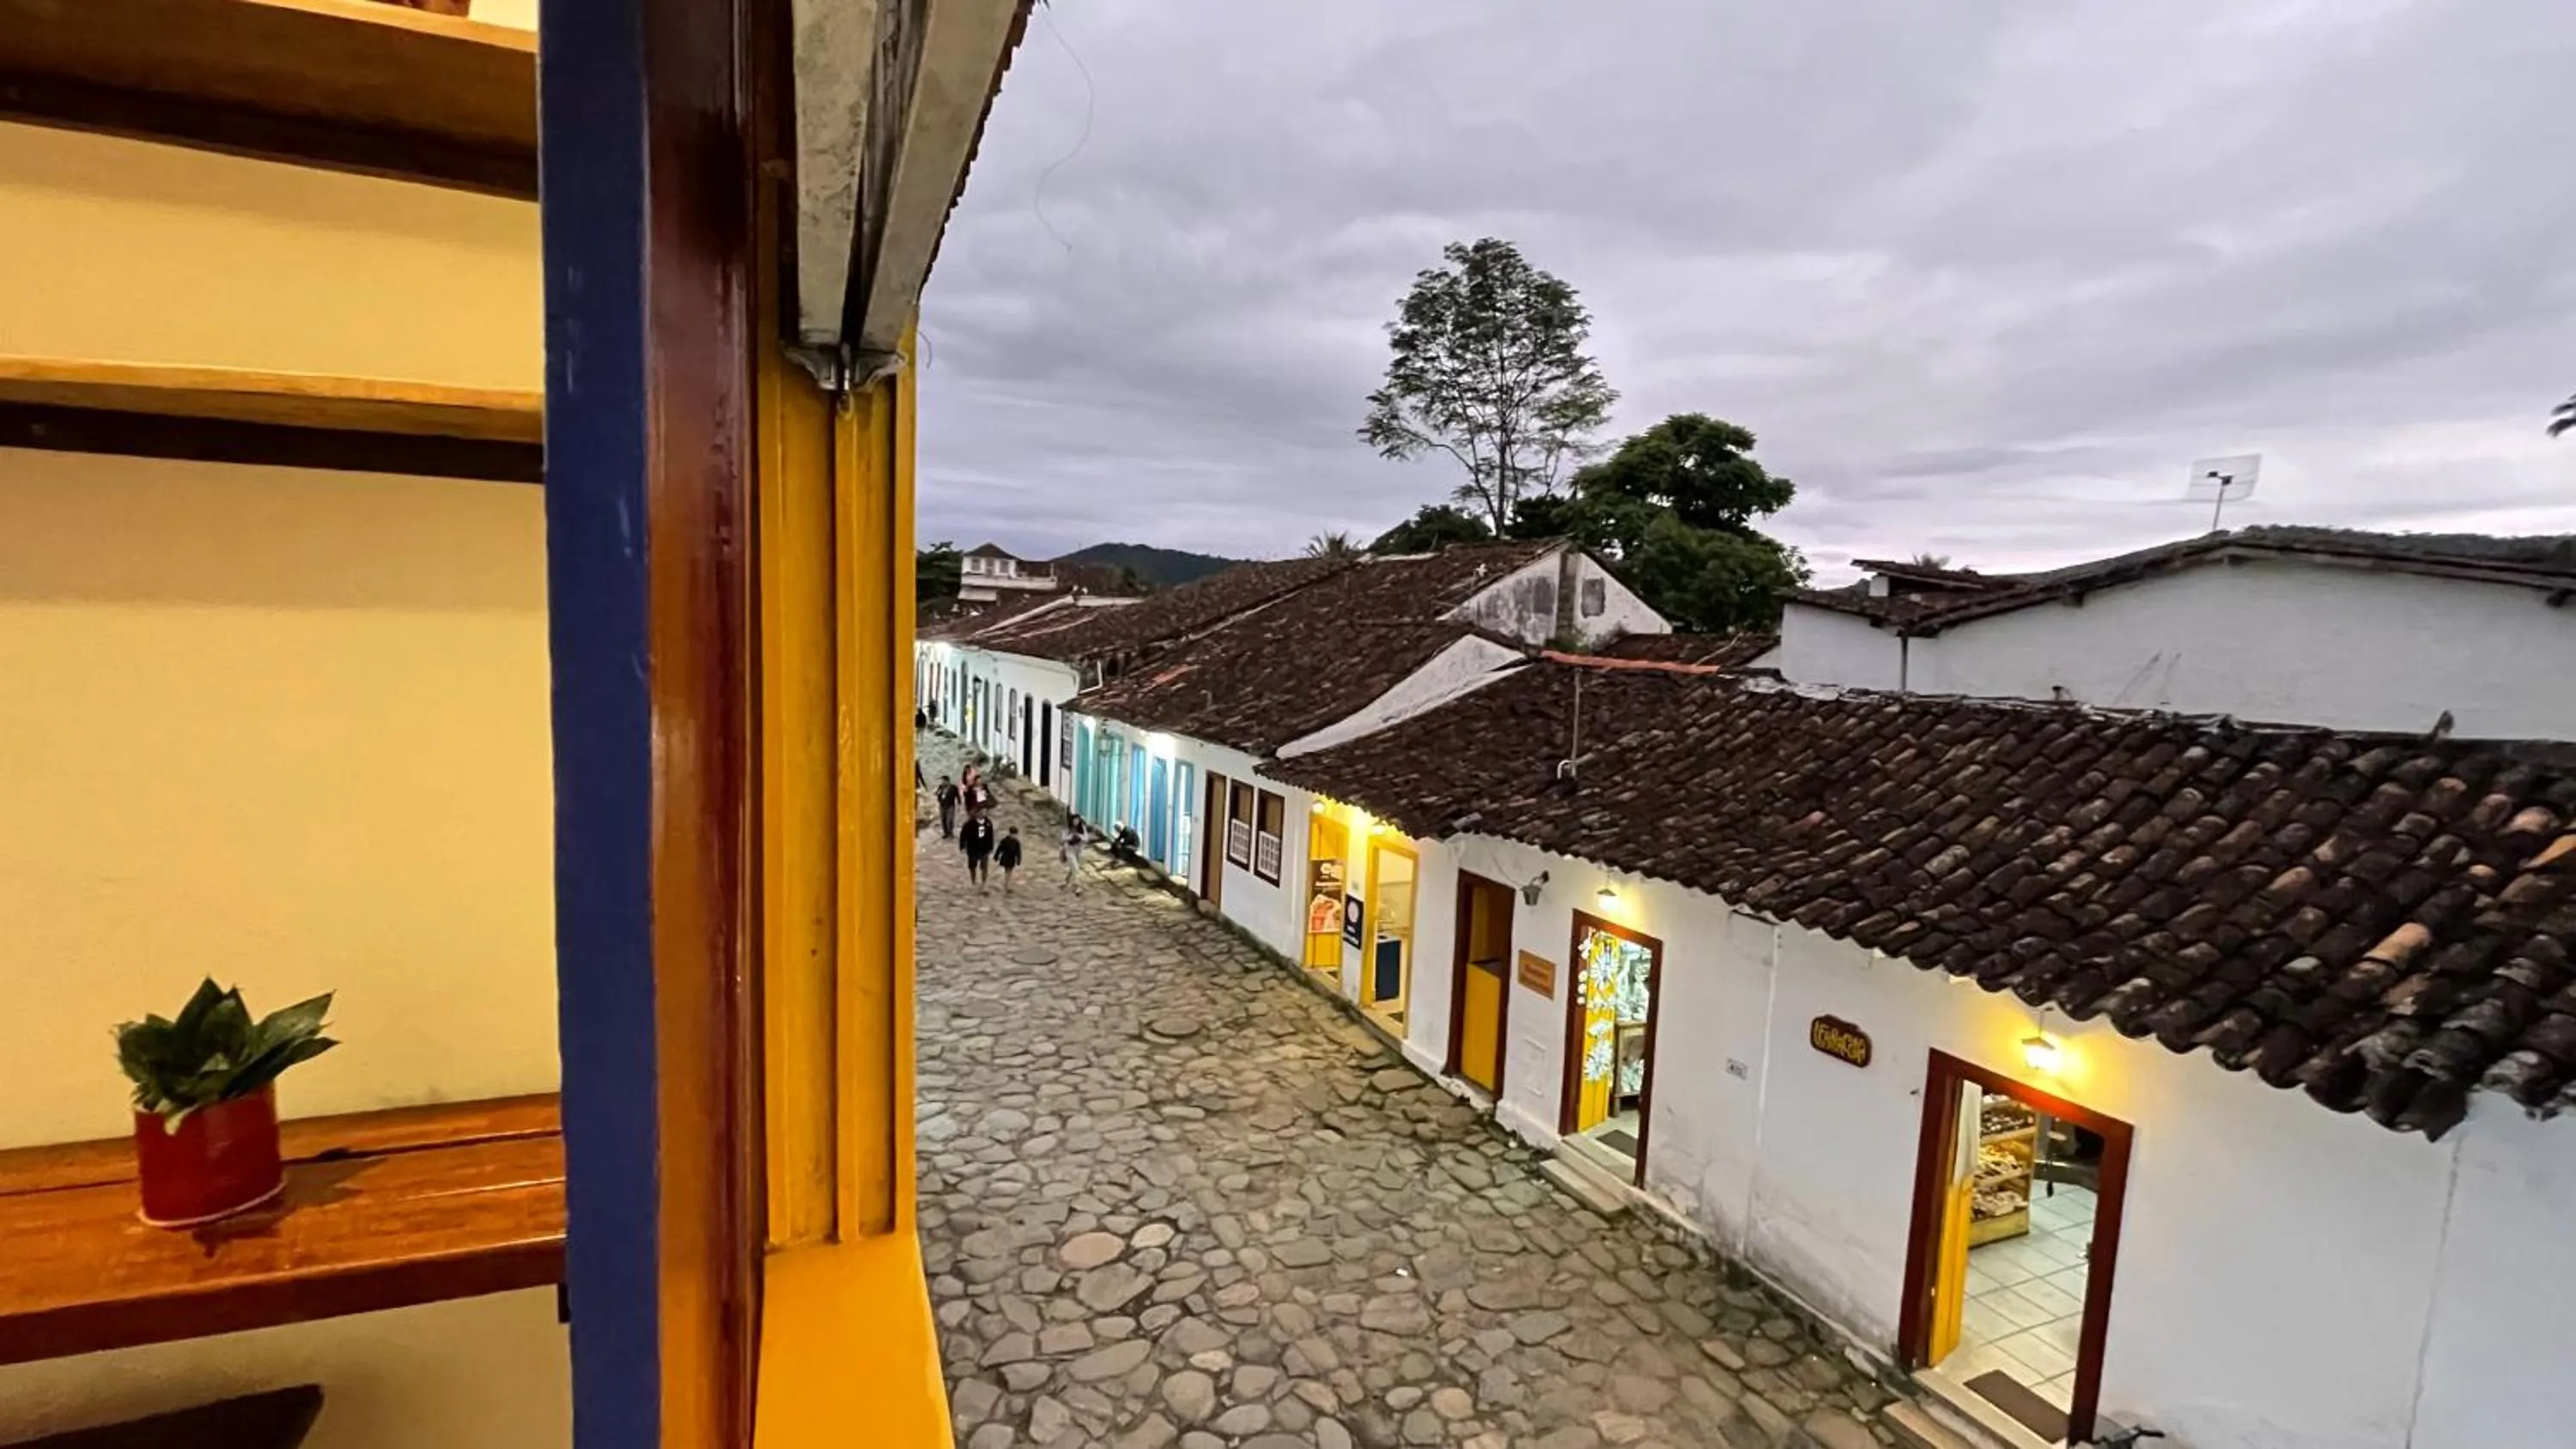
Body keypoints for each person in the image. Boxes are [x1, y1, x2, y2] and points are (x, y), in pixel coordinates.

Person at [960, 806, 997, 891]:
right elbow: (963, 835)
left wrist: (991, 847)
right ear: (977, 813)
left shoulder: (988, 823)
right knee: (972, 866)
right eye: (982, 812)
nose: (984, 813)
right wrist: (962, 846)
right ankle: (973, 881)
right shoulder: (969, 824)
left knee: (984, 867)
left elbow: (991, 836)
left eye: (985, 811)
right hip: (973, 848)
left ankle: (984, 882)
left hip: (984, 848)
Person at [1060, 814, 1086, 890]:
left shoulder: (1082, 829)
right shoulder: (1067, 829)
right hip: (1069, 850)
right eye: (1074, 820)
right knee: (1075, 868)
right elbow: (1062, 839)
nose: (1076, 822)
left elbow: (1086, 838)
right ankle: (1077, 886)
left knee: (1073, 868)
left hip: (1078, 850)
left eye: (1077, 820)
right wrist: (1071, 837)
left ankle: (1066, 881)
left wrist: (1079, 837)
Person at [995, 827, 1023, 892]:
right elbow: (999, 849)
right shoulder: (1014, 842)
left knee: (1008, 871)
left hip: (1009, 858)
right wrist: (996, 856)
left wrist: (1018, 860)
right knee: (1008, 872)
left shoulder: (1007, 840)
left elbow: (1018, 852)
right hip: (1007, 858)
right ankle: (1006, 885)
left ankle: (1006, 884)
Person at [934, 774, 960, 840]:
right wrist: (937, 793)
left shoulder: (953, 787)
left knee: (949, 820)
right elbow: (937, 794)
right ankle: (945, 833)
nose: (942, 782)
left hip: (950, 806)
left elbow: (958, 795)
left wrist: (959, 803)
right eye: (942, 781)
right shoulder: (940, 787)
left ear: (947, 781)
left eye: (943, 781)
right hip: (942, 806)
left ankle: (950, 832)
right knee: (943, 820)